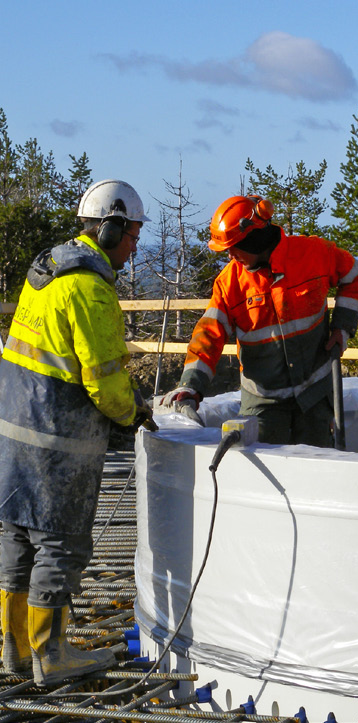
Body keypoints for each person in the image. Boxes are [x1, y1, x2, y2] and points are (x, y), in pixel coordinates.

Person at [0, 179, 155, 685]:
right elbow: (105, 382)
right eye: (132, 235)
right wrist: (136, 412)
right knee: (61, 544)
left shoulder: (47, 269)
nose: (134, 247)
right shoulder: (90, 287)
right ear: (109, 227)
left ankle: (16, 651)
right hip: (56, 439)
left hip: (13, 431)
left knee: (17, 537)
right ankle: (51, 655)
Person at [161, 195, 358, 447]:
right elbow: (208, 335)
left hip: (316, 395)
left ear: (254, 239)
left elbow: (354, 274)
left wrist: (343, 326)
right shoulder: (230, 283)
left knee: (316, 473)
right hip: (264, 404)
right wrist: (190, 386)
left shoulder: (313, 254)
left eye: (233, 248)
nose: (230, 257)